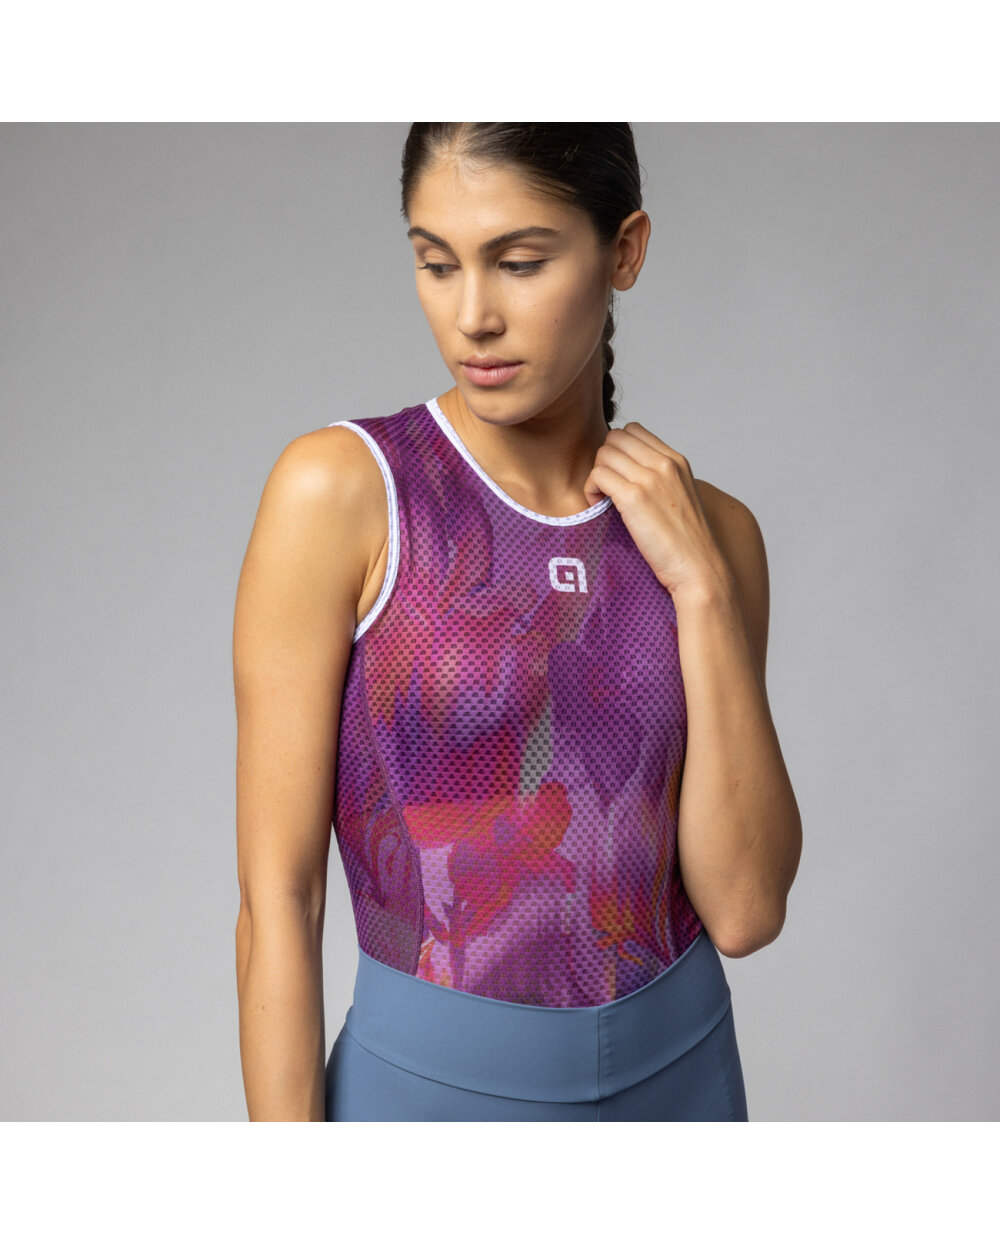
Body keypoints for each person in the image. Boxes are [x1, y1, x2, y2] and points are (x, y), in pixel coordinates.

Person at [233, 123, 802, 1122]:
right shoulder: (344, 492)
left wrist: (702, 590)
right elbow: (279, 898)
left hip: (681, 1087)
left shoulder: (716, 537)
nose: (473, 317)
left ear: (624, 250)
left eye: (521, 262)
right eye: (436, 263)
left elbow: (746, 908)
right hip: (425, 1097)